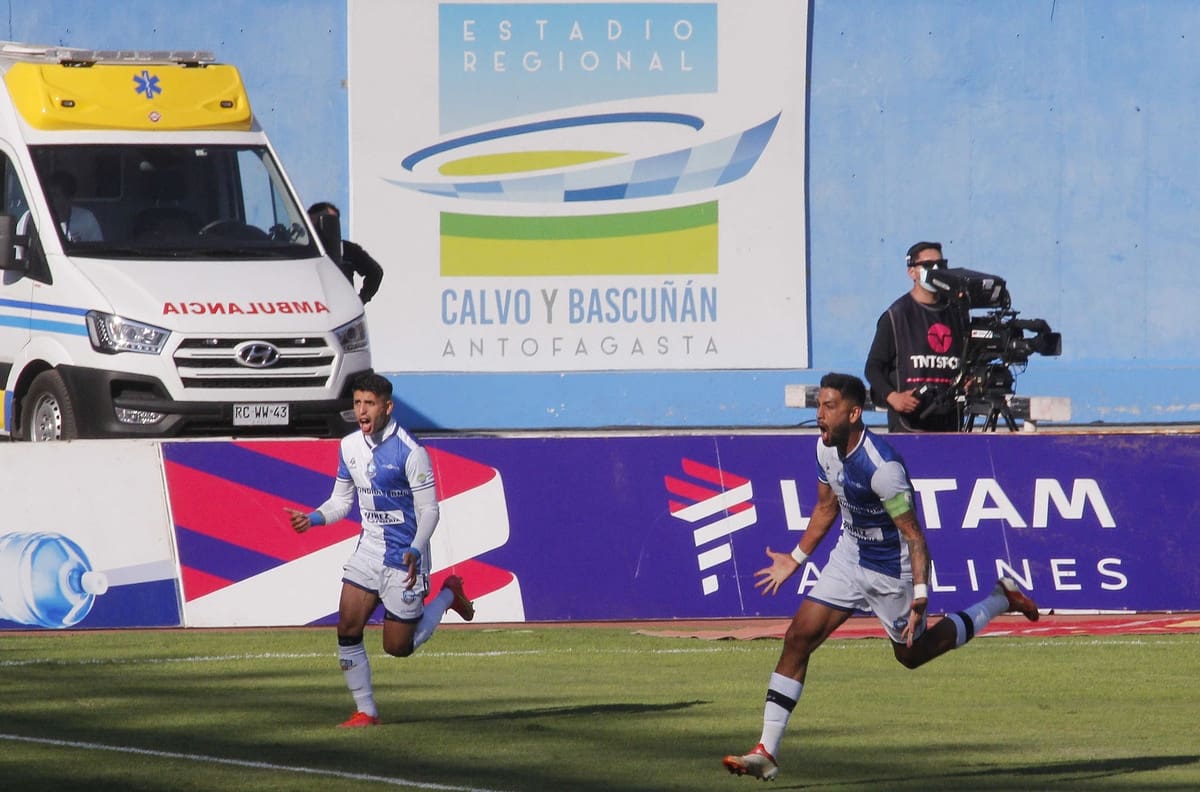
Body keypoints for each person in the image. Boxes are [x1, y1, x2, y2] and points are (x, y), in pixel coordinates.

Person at [722, 372, 1039, 782]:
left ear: (854, 413)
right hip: (849, 557)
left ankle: (999, 599)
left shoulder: (883, 468)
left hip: (893, 570)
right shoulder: (824, 449)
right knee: (798, 637)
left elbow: (915, 536)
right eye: (819, 405)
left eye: (829, 406)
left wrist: (920, 596)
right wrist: (795, 559)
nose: (820, 415)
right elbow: (826, 508)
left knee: (911, 656)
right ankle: (767, 751)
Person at [285, 372, 474, 728]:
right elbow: (341, 502)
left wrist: (416, 549)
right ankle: (366, 711)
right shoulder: (349, 447)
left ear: (387, 407)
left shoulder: (411, 452)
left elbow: (430, 511)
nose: (361, 410)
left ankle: (450, 594)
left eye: (369, 404)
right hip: (369, 550)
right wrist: (313, 518)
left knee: (398, 647)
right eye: (357, 402)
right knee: (347, 626)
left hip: (405, 557)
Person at [864, 241, 968, 432]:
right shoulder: (896, 316)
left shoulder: (957, 313)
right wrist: (893, 397)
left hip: (950, 424)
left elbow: (967, 360)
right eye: (928, 265)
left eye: (941, 264)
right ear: (912, 272)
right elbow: (873, 367)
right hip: (909, 425)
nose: (936, 270)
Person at [308, 201, 384, 304]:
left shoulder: (348, 249)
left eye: (331, 222)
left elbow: (375, 273)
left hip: (342, 309)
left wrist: (361, 300)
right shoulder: (300, 249)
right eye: (322, 220)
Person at [46, 171, 103, 242]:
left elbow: (97, 245)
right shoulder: (41, 218)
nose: (51, 199)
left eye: (56, 195)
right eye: (49, 195)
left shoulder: (86, 219)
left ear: (68, 198)